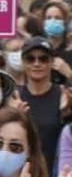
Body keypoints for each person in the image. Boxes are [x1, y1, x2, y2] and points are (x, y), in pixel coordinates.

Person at [17, 37, 68, 170]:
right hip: (20, 175)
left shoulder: (64, 95)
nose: (37, 63)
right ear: (23, 62)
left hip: (55, 176)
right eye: (30, 59)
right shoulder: (15, 97)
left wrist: (66, 115)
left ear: (51, 63)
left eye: (43, 59)